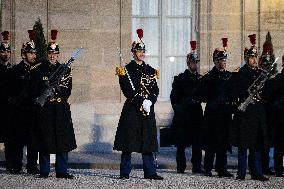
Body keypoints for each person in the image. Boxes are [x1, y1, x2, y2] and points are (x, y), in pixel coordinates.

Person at [113, 29, 163, 180]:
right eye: (138, 51)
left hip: (148, 110)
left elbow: (155, 89)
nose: (141, 53)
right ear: (133, 52)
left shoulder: (151, 70)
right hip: (132, 110)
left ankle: (150, 172)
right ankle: (124, 172)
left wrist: (150, 101)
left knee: (147, 141)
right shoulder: (126, 70)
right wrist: (141, 101)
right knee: (128, 142)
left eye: (143, 51)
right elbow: (127, 90)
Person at [29, 30, 77, 179]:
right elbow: (34, 90)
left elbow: (67, 90)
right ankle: (44, 170)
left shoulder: (65, 70)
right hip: (47, 108)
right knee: (45, 139)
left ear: (58, 54)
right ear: (47, 54)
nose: (52, 56)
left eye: (55, 54)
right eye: (50, 53)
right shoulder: (39, 69)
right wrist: (45, 94)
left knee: (62, 139)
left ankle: (61, 170)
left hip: (60, 107)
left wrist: (57, 90)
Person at [228, 34, 269, 181]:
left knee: (256, 146)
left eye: (254, 57)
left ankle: (256, 172)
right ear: (246, 58)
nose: (253, 60)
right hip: (245, 115)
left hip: (256, 114)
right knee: (243, 146)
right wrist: (239, 103)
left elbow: (265, 94)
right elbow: (233, 93)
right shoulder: (240, 74)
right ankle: (241, 173)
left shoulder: (259, 74)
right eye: (250, 57)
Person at [194, 38, 233, 178]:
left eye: (224, 60)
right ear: (216, 61)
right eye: (221, 60)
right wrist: (212, 99)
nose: (223, 63)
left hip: (225, 114)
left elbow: (233, 93)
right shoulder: (209, 77)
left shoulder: (229, 76)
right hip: (212, 114)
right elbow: (200, 95)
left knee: (223, 142)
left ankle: (222, 168)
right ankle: (208, 167)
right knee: (211, 143)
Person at [8, 30, 39, 174]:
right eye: (31, 53)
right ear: (24, 54)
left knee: (33, 140)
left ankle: (32, 166)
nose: (33, 56)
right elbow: (10, 91)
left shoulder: (38, 72)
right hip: (19, 111)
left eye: (34, 53)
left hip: (33, 110)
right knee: (17, 140)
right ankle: (17, 165)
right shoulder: (15, 71)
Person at [170, 41, 204, 174]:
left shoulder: (201, 79)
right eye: (193, 62)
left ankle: (196, 166)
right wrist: (179, 109)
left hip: (196, 113)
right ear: (188, 63)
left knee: (197, 142)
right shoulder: (180, 79)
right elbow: (174, 98)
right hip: (184, 115)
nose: (195, 64)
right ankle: (181, 166)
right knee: (181, 143)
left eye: (196, 62)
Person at [263, 55, 284, 177]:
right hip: (280, 116)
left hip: (279, 116)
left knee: (279, 145)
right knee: (279, 144)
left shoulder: (277, 79)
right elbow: (269, 97)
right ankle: (279, 170)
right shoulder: (278, 79)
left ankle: (279, 170)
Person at [0, 31, 13, 172]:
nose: (5, 54)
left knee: (9, 139)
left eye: (8, 51)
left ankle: (10, 164)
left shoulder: (13, 69)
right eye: (3, 52)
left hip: (9, 108)